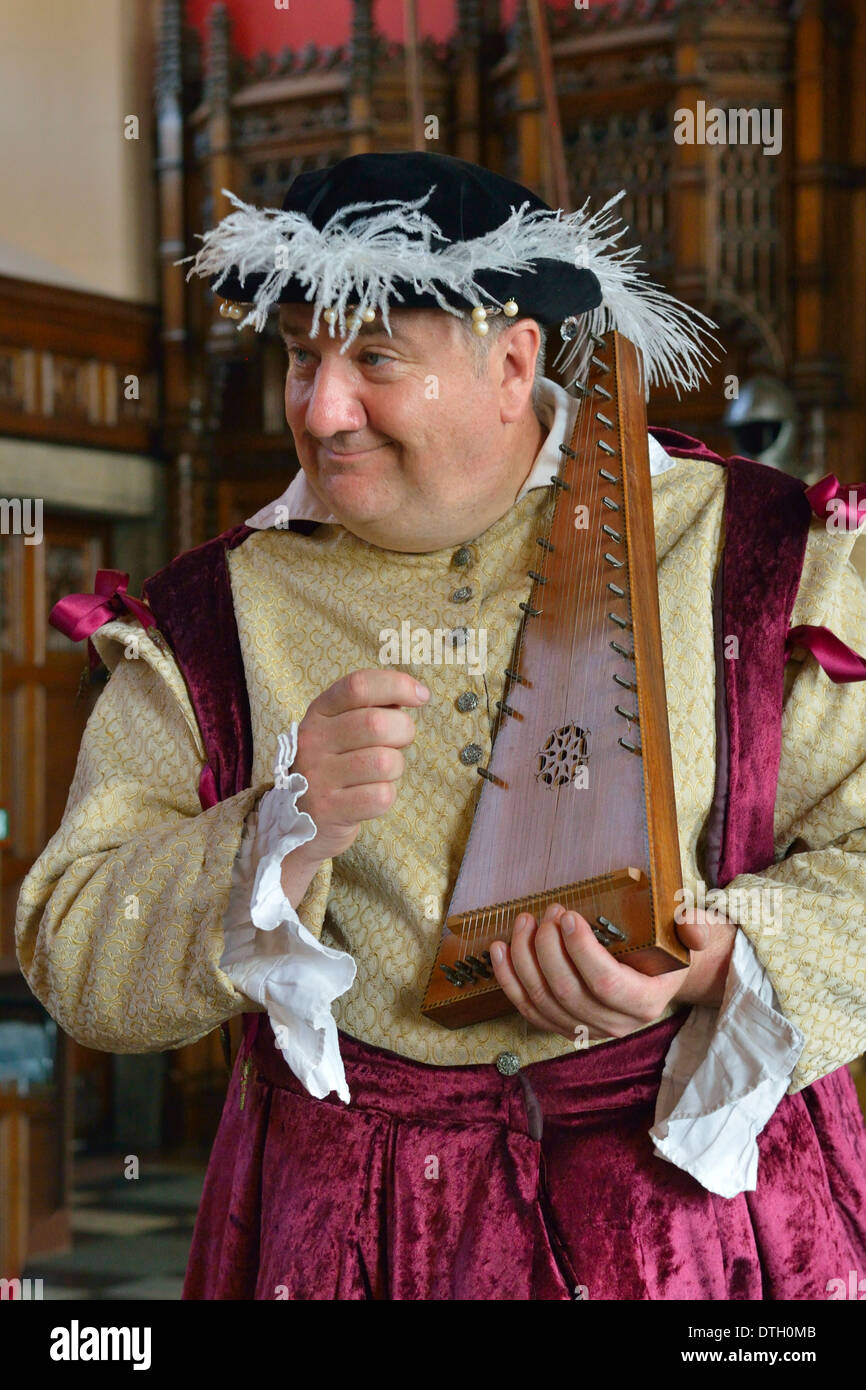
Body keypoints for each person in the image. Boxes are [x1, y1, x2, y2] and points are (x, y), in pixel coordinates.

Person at [17, 153, 866, 1300]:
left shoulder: (752, 555)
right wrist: (277, 830)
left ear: (512, 362)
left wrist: (715, 964)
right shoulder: (207, 621)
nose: (321, 408)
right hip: (358, 1239)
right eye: (301, 357)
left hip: (697, 1243)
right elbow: (74, 949)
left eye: (373, 359)